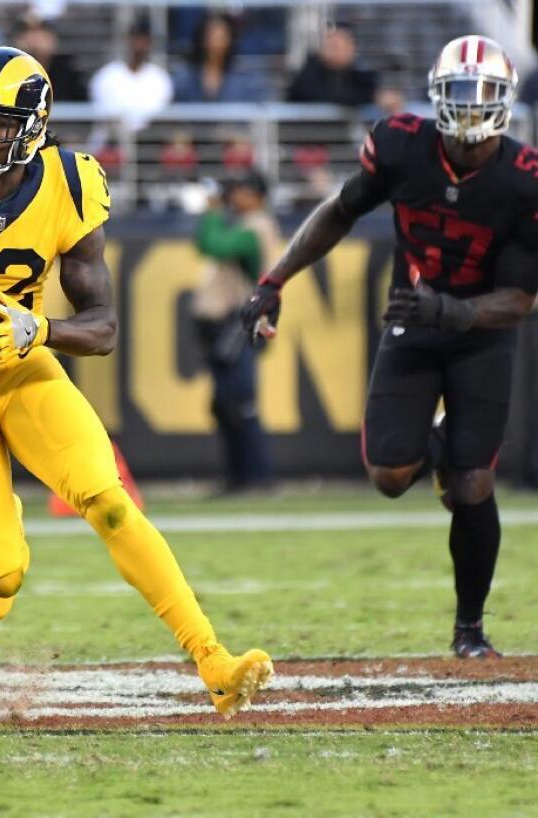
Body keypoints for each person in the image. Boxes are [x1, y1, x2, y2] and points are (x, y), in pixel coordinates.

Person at [0, 46, 273, 718]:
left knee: (108, 501)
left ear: (33, 126)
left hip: (26, 370)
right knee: (1, 572)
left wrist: (35, 331)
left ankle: (213, 660)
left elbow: (102, 328)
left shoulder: (70, 184)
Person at [242, 36, 538, 659]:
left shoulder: (521, 181)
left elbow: (520, 299)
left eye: (483, 92)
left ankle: (470, 631)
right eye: (459, 91)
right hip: (413, 321)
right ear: (436, 94)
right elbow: (339, 210)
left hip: (481, 333)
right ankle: (436, 445)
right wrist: (274, 280)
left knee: (474, 483)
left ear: (506, 101)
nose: (470, 105)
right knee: (388, 475)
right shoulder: (404, 145)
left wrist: (453, 310)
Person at [192, 173, 277, 493]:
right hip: (229, 325)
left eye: (242, 191)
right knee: (226, 405)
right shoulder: (245, 224)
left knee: (240, 404)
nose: (235, 198)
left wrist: (213, 211)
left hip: (239, 324)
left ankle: (258, 476)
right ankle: (238, 477)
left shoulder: (257, 227)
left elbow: (213, 245)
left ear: (257, 196)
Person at [88, 18, 172, 134]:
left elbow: (159, 115)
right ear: (127, 40)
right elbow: (103, 113)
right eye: (135, 38)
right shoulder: (106, 75)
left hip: (150, 140)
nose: (139, 44)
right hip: (112, 140)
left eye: (144, 39)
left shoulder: (160, 78)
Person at [173, 13, 265, 103]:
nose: (215, 42)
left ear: (230, 39)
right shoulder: (184, 76)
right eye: (211, 36)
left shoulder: (244, 77)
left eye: (221, 37)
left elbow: (254, 110)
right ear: (201, 38)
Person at [286, 22, 378, 106]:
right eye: (331, 45)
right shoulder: (308, 74)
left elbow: (370, 92)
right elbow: (325, 98)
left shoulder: (359, 75)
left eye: (339, 46)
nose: (332, 51)